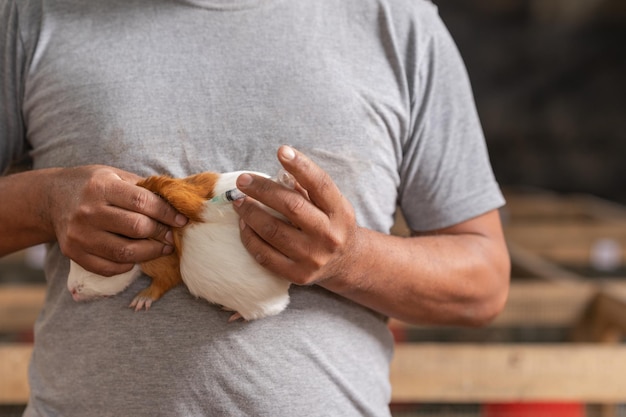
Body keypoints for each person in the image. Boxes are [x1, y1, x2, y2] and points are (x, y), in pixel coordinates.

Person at [0, 0, 510, 416]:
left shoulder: (398, 24)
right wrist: (44, 201)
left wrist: (349, 258)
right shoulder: (32, 13)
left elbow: (484, 283)